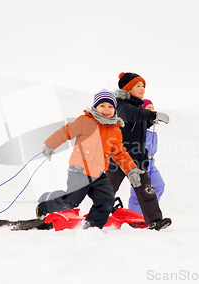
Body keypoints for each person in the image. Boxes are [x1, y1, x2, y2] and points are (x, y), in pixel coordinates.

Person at [36, 89, 144, 229]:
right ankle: (45, 206)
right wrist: (50, 145)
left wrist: (131, 170)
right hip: (79, 170)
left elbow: (119, 153)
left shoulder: (115, 130)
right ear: (95, 107)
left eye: (110, 106)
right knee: (71, 202)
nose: (106, 109)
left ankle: (91, 227)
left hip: (98, 174)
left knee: (106, 201)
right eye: (102, 106)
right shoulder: (85, 121)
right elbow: (66, 132)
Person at [106, 72, 171, 230]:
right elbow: (130, 115)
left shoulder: (136, 106)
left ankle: (155, 220)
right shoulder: (121, 104)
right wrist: (151, 114)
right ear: (128, 88)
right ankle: (95, 217)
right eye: (138, 85)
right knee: (107, 190)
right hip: (120, 157)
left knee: (146, 190)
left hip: (136, 158)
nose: (142, 89)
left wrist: (149, 121)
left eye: (143, 86)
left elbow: (136, 128)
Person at [128, 99, 165, 214]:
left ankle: (147, 213)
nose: (152, 111)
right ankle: (135, 216)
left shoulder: (152, 128)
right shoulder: (137, 126)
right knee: (138, 192)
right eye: (148, 109)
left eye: (153, 109)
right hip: (139, 163)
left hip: (151, 164)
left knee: (159, 186)